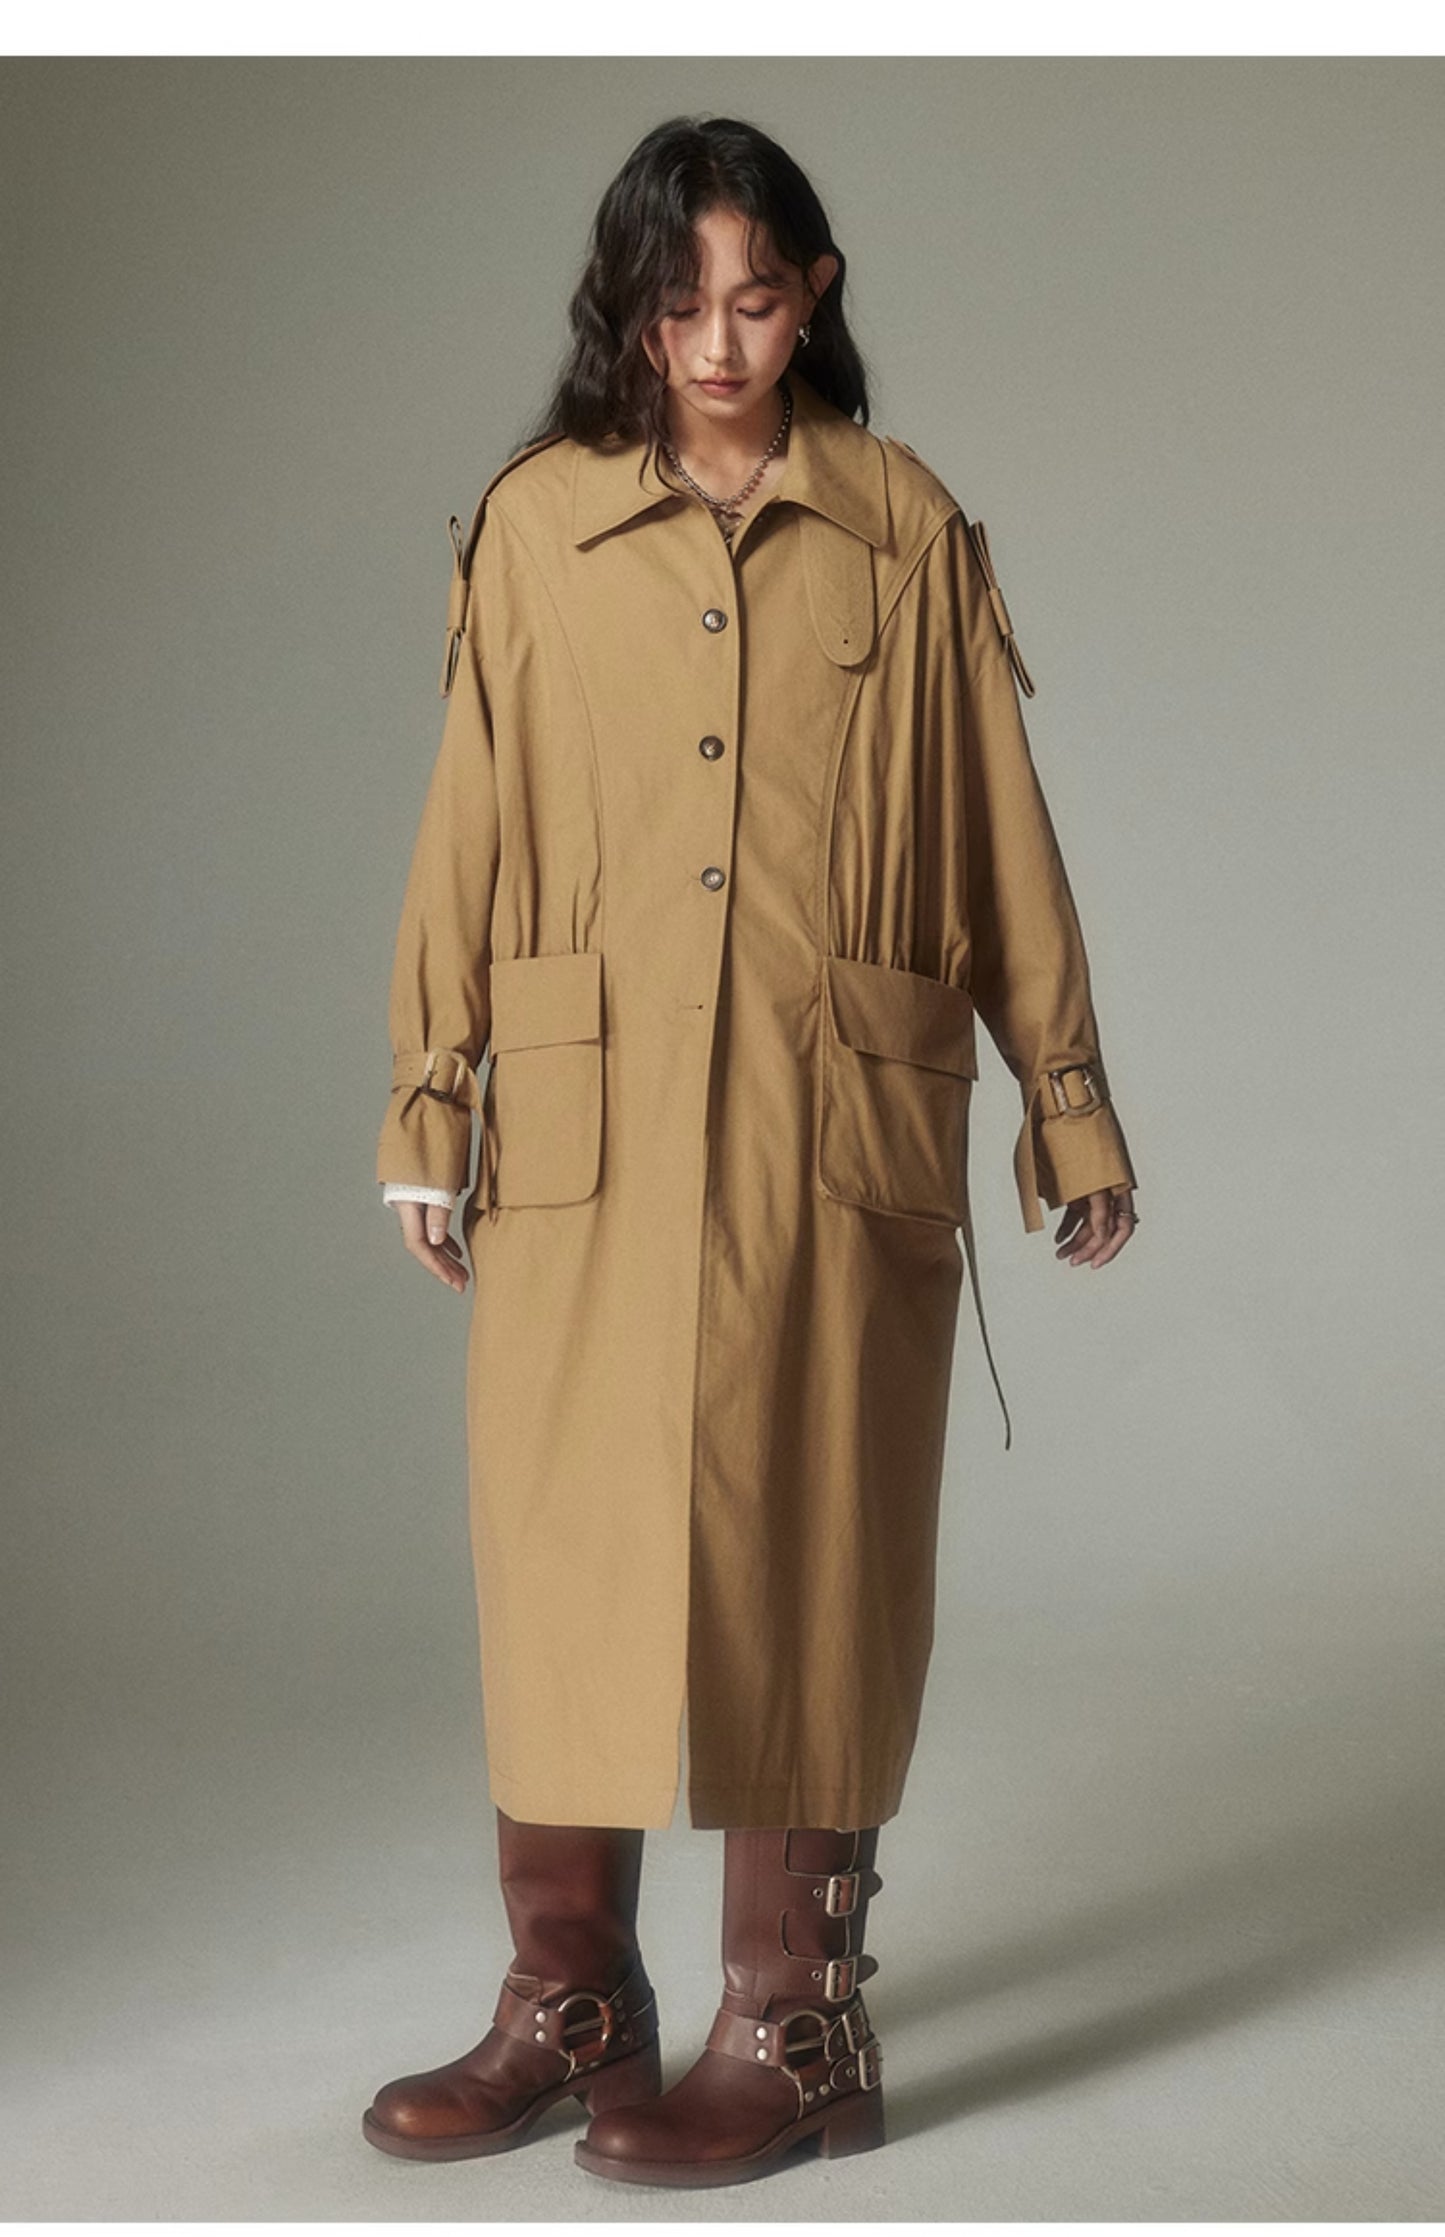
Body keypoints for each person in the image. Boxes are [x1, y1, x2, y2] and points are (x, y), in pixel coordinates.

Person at [363, 114, 1139, 2190]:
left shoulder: (903, 526)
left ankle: (797, 2027)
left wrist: (1066, 1097)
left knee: (810, 1543)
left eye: (760, 298)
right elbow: (471, 819)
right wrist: (432, 1096)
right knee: (566, 1541)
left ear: (816, 299)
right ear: (629, 311)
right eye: (680, 302)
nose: (719, 342)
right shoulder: (537, 526)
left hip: (825, 1115)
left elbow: (996, 825)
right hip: (593, 1119)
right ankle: (572, 2003)